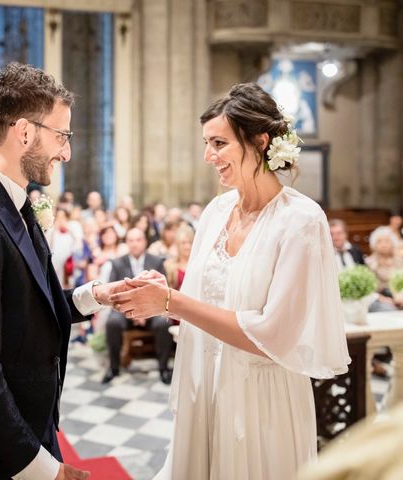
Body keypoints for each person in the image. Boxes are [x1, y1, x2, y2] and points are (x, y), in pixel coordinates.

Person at [110, 83, 350, 479]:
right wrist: (159, 289)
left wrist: (170, 301)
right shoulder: (217, 212)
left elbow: (274, 334)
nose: (209, 156)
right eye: (207, 144)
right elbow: (200, 301)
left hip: (264, 403)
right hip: (205, 388)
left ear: (260, 140)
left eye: (219, 143)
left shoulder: (301, 221)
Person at [0, 62, 123, 480]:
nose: (66, 152)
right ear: (25, 132)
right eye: (62, 136)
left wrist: (96, 295)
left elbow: (25, 306)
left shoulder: (13, 201)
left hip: (28, 429)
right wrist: (43, 470)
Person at [103, 228, 174, 385]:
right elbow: (112, 294)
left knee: (164, 323)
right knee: (112, 322)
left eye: (138, 240)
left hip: (151, 310)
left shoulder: (156, 262)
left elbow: (163, 291)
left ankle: (163, 368)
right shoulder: (117, 263)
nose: (135, 244)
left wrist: (144, 312)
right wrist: (133, 312)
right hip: (124, 311)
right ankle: (113, 367)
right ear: (127, 243)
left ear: (145, 241)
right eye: (131, 240)